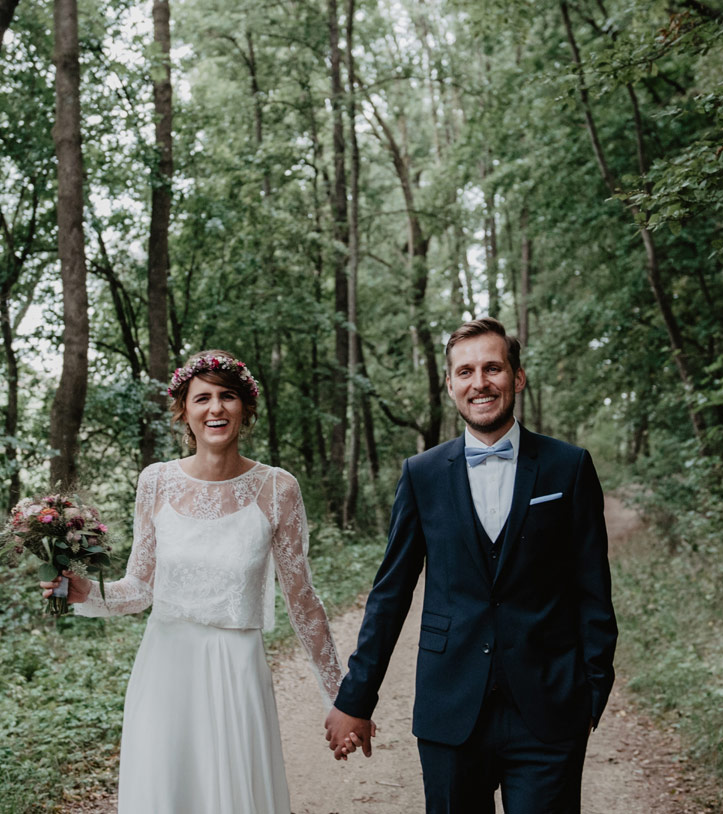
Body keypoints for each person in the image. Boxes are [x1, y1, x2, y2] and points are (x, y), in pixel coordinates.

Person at [323, 317, 618, 813]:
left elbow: (593, 587)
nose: (479, 383)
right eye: (465, 372)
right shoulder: (421, 475)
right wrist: (356, 698)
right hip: (450, 709)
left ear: (517, 378)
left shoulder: (568, 466)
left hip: (548, 711)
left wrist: (592, 689)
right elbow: (390, 594)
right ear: (450, 385)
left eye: (492, 368)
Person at [45, 349, 350, 814]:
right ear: (184, 411)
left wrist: (342, 697)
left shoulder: (277, 488)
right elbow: (139, 589)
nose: (215, 408)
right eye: (202, 397)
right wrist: (83, 592)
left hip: (237, 670)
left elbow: (303, 602)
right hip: (165, 669)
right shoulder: (156, 482)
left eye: (227, 396)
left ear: (245, 408)